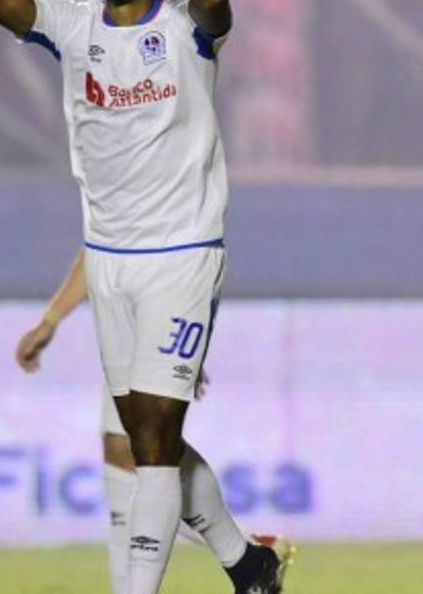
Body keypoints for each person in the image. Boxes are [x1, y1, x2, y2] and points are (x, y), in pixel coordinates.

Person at [0, 0, 284, 593]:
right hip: (109, 260)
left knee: (155, 441)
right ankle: (247, 562)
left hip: (183, 254)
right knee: (143, 437)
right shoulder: (72, 27)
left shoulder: (186, 30)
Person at [15, 250, 296, 594]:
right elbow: (97, 244)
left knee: (138, 445)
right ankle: (247, 554)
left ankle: (245, 554)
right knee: (123, 449)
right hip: (126, 308)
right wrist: (51, 320)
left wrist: (194, 337)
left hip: (164, 296)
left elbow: (200, 243)